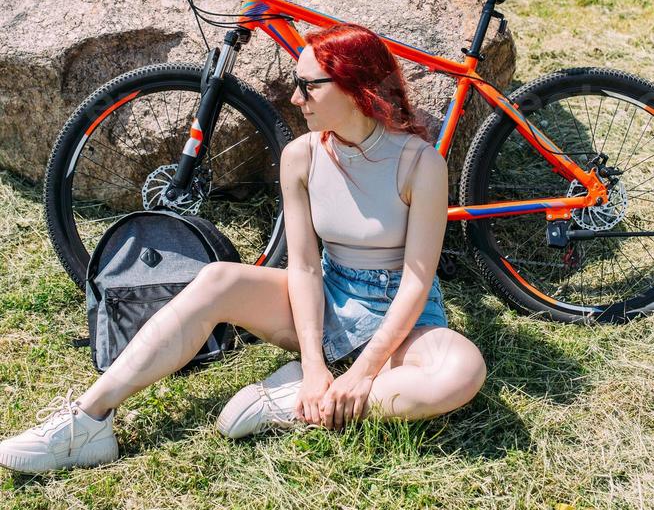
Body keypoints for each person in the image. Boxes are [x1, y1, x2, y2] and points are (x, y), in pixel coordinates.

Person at [0, 23, 487, 474]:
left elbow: (418, 282)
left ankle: (296, 402)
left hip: (404, 316)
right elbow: (304, 267)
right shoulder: (301, 156)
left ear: (355, 87)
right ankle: (88, 422)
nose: (295, 98)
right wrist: (316, 364)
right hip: (327, 297)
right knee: (217, 279)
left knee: (462, 372)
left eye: (309, 85)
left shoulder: (419, 163)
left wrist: (362, 373)